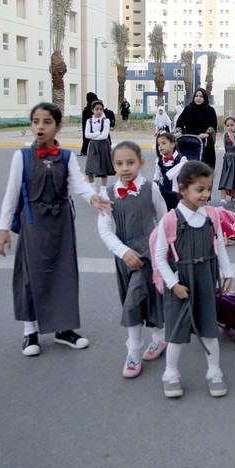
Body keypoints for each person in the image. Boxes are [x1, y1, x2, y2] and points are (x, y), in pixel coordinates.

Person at [0, 102, 112, 357]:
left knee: (64, 273)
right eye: (36, 121)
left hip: (61, 223)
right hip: (33, 223)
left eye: (47, 122)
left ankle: (64, 329)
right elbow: (11, 194)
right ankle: (30, 332)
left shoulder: (67, 156)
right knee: (31, 274)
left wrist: (93, 198)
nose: (40, 126)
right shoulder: (22, 156)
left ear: (58, 127)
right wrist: (3, 229)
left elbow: (78, 183)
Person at [151, 161, 234, 398]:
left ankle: (214, 371)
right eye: (200, 189)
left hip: (206, 278)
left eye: (209, 189)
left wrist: (227, 272)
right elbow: (159, 257)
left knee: (209, 328)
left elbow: (219, 245)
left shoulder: (212, 215)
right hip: (181, 281)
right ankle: (170, 373)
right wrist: (173, 285)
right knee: (176, 331)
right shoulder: (170, 219)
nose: (206, 194)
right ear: (183, 189)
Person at [98, 141, 168, 378]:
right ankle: (160, 339)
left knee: (135, 302)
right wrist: (123, 252)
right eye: (119, 163)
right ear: (113, 165)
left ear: (141, 163)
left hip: (150, 255)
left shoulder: (152, 189)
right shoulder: (106, 194)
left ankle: (134, 351)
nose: (125, 168)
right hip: (124, 257)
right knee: (140, 300)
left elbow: (164, 219)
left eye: (130, 162)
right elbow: (105, 229)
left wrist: (163, 250)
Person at [174, 87, 218, 170]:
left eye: (201, 96)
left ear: (205, 98)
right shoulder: (188, 109)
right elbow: (179, 123)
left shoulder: (210, 110)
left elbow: (213, 125)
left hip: (205, 143)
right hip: (190, 143)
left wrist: (207, 134)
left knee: (205, 170)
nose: (198, 98)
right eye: (196, 96)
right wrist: (179, 131)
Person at [84, 100, 115, 189]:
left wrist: (93, 135)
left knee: (103, 166)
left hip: (103, 145)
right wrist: (98, 133)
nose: (99, 111)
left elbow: (104, 136)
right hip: (93, 145)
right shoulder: (89, 121)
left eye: (101, 109)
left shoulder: (106, 121)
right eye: (96, 109)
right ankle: (92, 186)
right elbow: (87, 135)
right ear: (92, 110)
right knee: (90, 167)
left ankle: (103, 188)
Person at [154, 131, 186, 211]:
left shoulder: (182, 160)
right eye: (159, 144)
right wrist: (154, 183)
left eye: (164, 143)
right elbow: (157, 174)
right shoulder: (159, 160)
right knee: (166, 212)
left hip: (178, 193)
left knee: (179, 213)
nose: (160, 146)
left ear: (172, 144)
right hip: (164, 192)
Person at [79, 92, 99, 156]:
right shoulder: (97, 105)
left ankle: (84, 151)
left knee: (87, 138)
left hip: (89, 125)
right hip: (95, 125)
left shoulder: (90, 107)